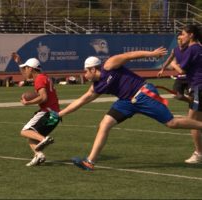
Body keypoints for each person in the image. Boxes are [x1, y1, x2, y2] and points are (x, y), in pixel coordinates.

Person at [57, 47, 202, 171]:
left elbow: (130, 55)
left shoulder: (109, 65)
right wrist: (60, 113)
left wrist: (151, 54)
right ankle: (90, 162)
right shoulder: (96, 87)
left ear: (93, 69)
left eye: (86, 71)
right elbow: (81, 101)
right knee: (104, 124)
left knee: (172, 123)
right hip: (126, 102)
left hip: (143, 94)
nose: (84, 75)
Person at [12, 53, 61, 167]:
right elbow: (25, 77)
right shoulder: (44, 77)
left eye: (26, 68)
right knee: (31, 137)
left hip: (48, 113)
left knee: (24, 131)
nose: (25, 70)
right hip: (56, 116)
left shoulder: (39, 79)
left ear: (31, 68)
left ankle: (44, 139)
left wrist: (27, 102)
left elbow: (44, 97)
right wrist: (19, 63)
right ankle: (39, 155)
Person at [168, 25, 202, 164]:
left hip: (199, 87)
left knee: (192, 122)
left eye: (183, 34)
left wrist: (173, 64)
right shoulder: (198, 48)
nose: (181, 36)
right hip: (197, 87)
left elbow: (181, 69)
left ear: (191, 35)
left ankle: (199, 154)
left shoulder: (193, 48)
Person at [157, 37, 190, 103]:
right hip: (180, 78)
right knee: (178, 96)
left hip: (190, 78)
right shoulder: (174, 50)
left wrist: (175, 65)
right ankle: (191, 102)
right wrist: (162, 69)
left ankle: (194, 105)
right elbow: (169, 59)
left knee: (194, 97)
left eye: (182, 39)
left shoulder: (190, 49)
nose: (180, 41)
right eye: (178, 39)